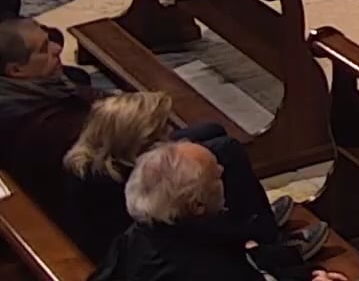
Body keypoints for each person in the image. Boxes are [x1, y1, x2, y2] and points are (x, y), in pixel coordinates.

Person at [91, 141, 359, 281]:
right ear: (198, 205)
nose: (224, 180)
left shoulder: (140, 234)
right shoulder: (206, 270)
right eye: (217, 178)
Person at [64, 92, 322, 263]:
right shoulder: (130, 188)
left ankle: (250, 213)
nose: (172, 132)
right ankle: (265, 238)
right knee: (225, 152)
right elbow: (184, 227)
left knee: (211, 131)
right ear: (142, 145)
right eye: (163, 130)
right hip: (144, 245)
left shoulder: (96, 154)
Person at [0, 18, 99, 212]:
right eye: (44, 49)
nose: (57, 48)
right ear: (16, 70)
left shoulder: (24, 90)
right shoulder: (47, 126)